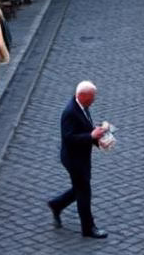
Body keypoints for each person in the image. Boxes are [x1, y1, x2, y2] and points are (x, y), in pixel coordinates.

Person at [47, 81, 109, 239]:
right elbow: (69, 138)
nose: (93, 101)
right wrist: (91, 136)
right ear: (81, 96)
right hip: (74, 160)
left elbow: (85, 127)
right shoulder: (69, 112)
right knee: (84, 192)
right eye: (91, 98)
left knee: (80, 189)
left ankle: (56, 204)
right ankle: (88, 228)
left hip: (81, 157)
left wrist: (97, 134)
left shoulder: (83, 106)